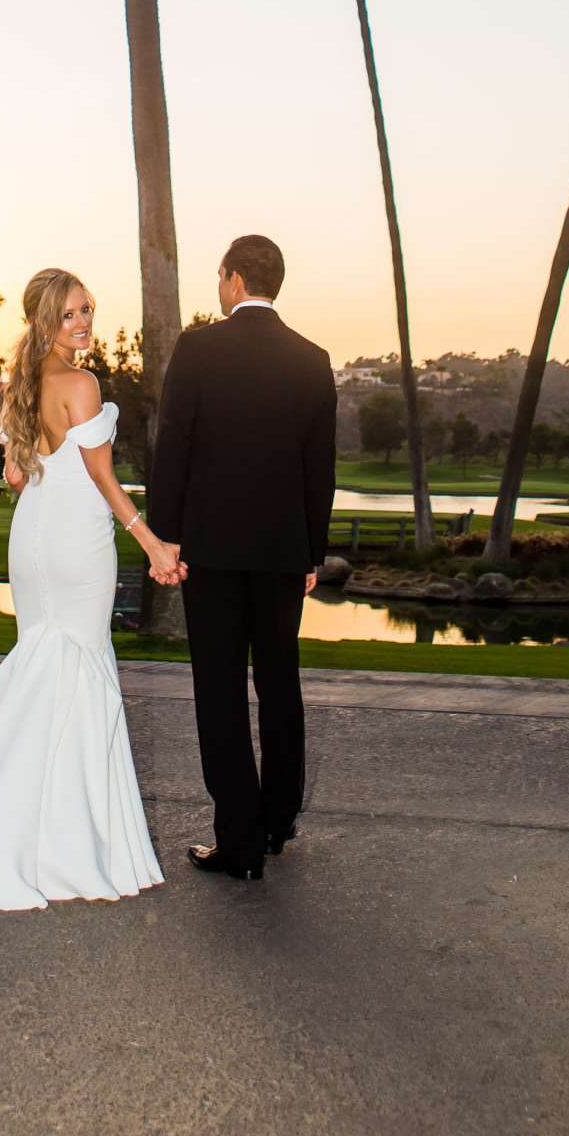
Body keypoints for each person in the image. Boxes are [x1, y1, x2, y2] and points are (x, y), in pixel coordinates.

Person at [0, 268, 180, 910]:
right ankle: (70, 846)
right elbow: (99, 475)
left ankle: (35, 834)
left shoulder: (24, 384)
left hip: (32, 539)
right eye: (69, 315)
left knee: (48, 667)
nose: (84, 322)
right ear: (43, 321)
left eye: (87, 309)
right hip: (74, 544)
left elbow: (13, 476)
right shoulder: (81, 384)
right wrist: (151, 542)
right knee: (79, 672)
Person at [149, 233, 337, 882]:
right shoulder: (313, 360)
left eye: (219, 275)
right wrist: (313, 551)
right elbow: (321, 471)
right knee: (280, 686)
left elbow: (173, 443)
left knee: (221, 693)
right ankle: (279, 823)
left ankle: (239, 841)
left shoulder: (199, 348)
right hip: (285, 553)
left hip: (215, 554)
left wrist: (165, 536)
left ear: (233, 281)